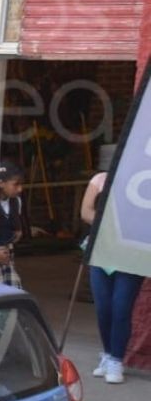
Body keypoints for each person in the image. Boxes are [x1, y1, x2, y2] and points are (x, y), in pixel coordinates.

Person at [80, 145, 140, 385]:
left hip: (129, 253)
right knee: (103, 307)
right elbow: (86, 211)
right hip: (101, 249)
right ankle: (107, 353)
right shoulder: (99, 179)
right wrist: (110, 225)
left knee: (121, 307)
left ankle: (117, 359)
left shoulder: (141, 182)